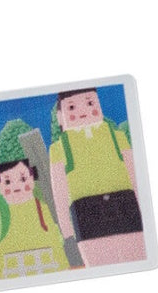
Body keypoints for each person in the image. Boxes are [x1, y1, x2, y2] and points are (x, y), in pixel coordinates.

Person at [49, 88, 145, 266]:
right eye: (72, 107)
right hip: (86, 211)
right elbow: (59, 189)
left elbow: (133, 172)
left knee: (135, 256)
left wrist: (143, 204)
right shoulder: (59, 148)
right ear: (60, 117)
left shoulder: (117, 137)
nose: (83, 111)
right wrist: (66, 228)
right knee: (98, 262)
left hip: (125, 204)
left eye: (90, 103)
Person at [0, 159, 69, 279]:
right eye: (7, 181)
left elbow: (54, 236)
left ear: (32, 180)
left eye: (23, 179)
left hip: (47, 264)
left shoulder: (41, 208)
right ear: (0, 186)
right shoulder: (0, 215)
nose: (16, 186)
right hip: (11, 269)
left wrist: (61, 262)